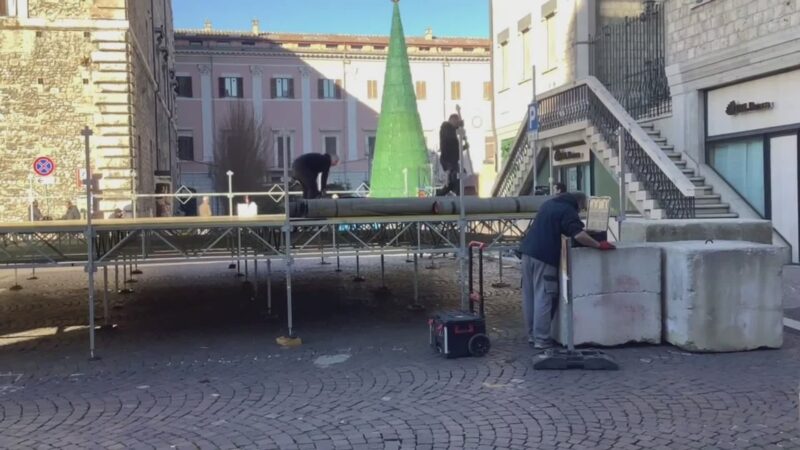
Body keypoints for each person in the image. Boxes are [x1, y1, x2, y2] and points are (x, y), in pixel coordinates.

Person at [518, 191, 616, 349]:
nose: (581, 211)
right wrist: (598, 245)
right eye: (582, 207)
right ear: (578, 203)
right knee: (544, 296)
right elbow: (579, 236)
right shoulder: (568, 210)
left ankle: (531, 335)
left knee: (530, 297)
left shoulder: (548, 204)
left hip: (527, 253)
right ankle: (541, 339)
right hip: (545, 256)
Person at [436, 113, 465, 196]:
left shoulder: (450, 130)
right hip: (448, 159)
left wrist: (463, 147)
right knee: (456, 178)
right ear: (452, 119)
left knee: (453, 181)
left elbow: (454, 147)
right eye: (456, 121)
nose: (457, 123)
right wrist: (459, 128)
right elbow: (451, 142)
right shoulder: (446, 127)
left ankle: (440, 194)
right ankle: (458, 197)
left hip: (451, 160)